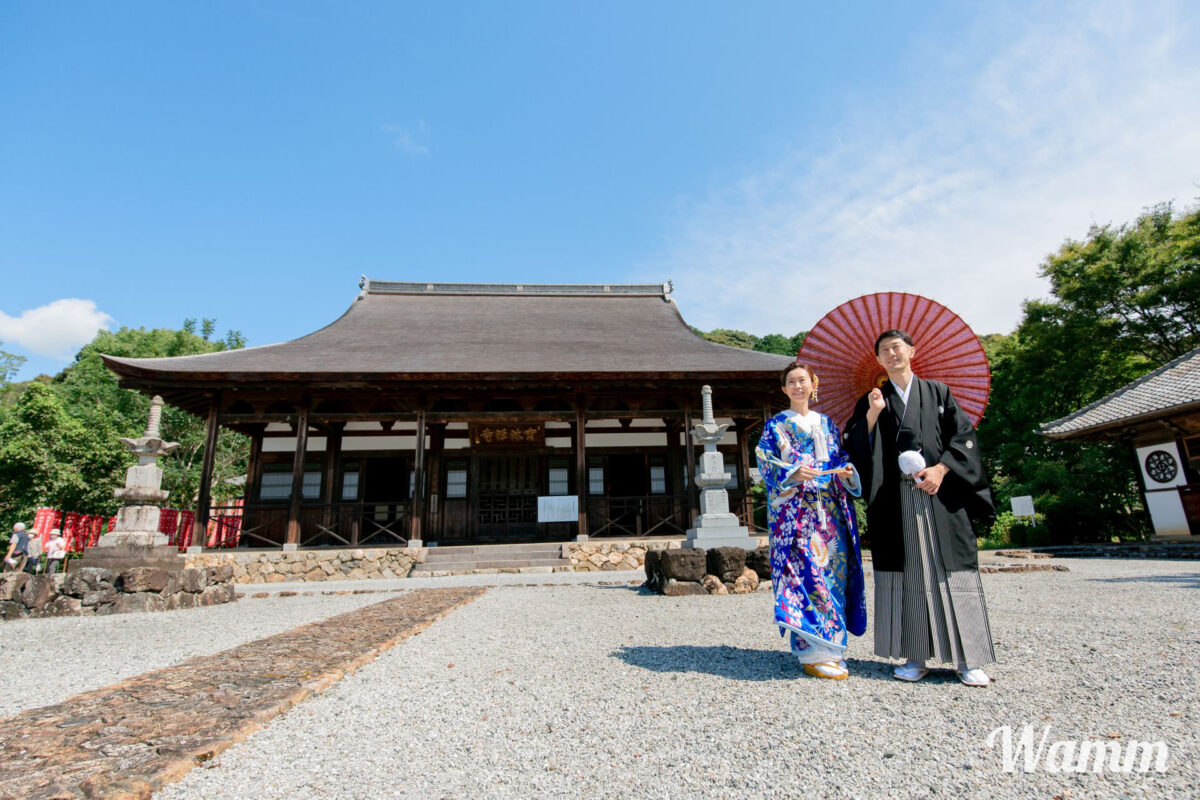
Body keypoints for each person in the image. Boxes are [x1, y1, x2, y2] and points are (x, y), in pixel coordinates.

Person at [845, 329, 997, 687]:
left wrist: (942, 469)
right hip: (896, 500)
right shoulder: (874, 398)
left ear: (911, 351)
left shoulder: (938, 392)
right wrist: (872, 414)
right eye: (884, 350)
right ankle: (915, 657)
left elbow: (964, 439)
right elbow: (853, 442)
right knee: (909, 574)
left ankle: (968, 660)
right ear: (878, 360)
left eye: (897, 347)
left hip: (940, 494)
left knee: (953, 572)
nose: (892, 353)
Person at [756, 361, 866, 680]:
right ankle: (812, 651)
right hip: (798, 514)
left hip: (828, 513)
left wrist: (845, 471)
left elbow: (840, 458)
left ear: (813, 383)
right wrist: (792, 473)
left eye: (802, 380)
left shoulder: (828, 425)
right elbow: (765, 461)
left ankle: (833, 648)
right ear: (784, 389)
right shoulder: (775, 426)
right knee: (806, 575)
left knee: (833, 575)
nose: (797, 386)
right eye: (791, 382)